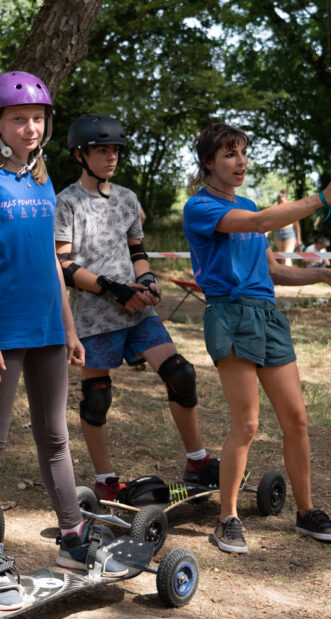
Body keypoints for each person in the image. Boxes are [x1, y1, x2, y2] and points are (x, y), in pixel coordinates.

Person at [0, 72, 127, 611]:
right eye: (18, 118)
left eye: (37, 118)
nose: (30, 127)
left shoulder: (42, 182)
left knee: (54, 437)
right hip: (2, 333)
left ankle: (73, 539)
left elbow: (55, 264)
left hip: (50, 331)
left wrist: (70, 328)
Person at [183, 122, 331, 555]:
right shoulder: (201, 208)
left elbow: (271, 270)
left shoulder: (246, 201)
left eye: (242, 153)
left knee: (296, 420)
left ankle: (306, 512)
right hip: (229, 315)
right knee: (247, 424)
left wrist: (323, 275)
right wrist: (322, 198)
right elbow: (262, 219)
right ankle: (227, 517)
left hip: (267, 316)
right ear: (208, 162)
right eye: (228, 154)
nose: (239, 161)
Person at [53, 113, 213, 502]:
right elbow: (62, 265)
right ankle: (106, 480)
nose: (111, 158)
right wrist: (113, 289)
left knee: (181, 374)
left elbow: (137, 252)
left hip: (138, 311)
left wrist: (145, 282)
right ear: (80, 155)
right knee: (97, 398)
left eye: (115, 151)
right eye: (101, 151)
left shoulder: (127, 198)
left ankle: (198, 461)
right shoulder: (66, 202)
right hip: (93, 316)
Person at [271, 190, 302, 266]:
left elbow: (297, 226)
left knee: (286, 256)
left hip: (290, 234)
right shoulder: (276, 211)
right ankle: (285, 276)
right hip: (278, 234)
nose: (281, 203)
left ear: (286, 200)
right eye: (279, 202)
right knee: (283, 258)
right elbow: (271, 223)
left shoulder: (292, 210)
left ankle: (290, 277)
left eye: (282, 201)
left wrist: (299, 239)